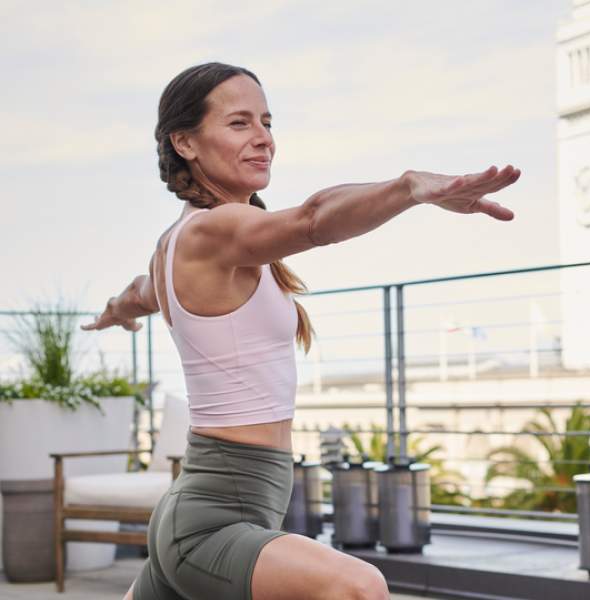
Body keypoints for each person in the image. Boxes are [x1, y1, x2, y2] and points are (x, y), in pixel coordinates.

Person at [81, 62, 521, 600]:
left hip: (208, 510)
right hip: (209, 524)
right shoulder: (211, 231)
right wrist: (411, 188)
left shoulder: (182, 246)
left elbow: (139, 294)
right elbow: (314, 219)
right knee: (358, 588)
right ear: (185, 143)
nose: (263, 138)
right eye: (239, 123)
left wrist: (114, 312)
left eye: (266, 121)